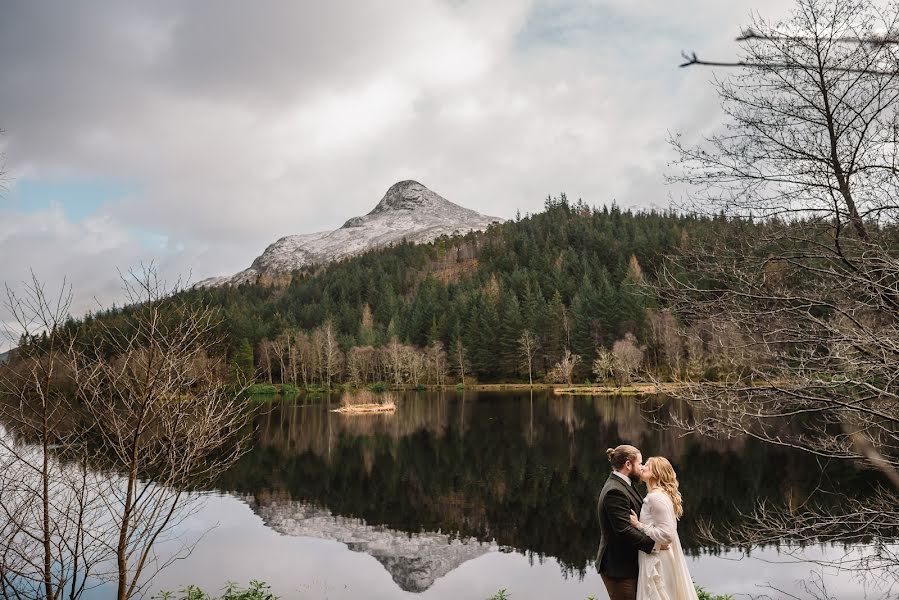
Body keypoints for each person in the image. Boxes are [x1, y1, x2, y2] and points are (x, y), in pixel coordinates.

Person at [596, 445, 668, 600]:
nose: (642, 467)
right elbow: (624, 531)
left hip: (627, 565)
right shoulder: (614, 491)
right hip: (619, 569)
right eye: (640, 463)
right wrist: (656, 545)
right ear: (628, 465)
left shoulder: (624, 484)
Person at [628, 456, 699, 600]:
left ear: (656, 473)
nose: (642, 467)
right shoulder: (657, 495)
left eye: (647, 465)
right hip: (657, 555)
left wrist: (638, 525)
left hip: (658, 561)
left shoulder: (656, 498)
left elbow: (667, 535)